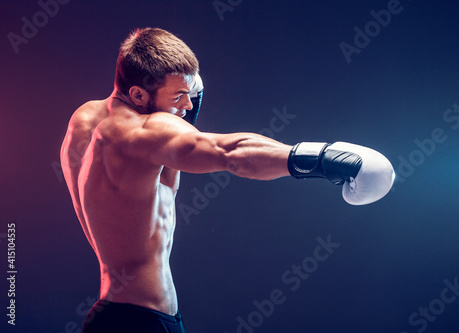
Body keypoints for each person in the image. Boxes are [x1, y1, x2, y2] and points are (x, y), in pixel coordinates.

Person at [60, 27, 395, 333]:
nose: (188, 105)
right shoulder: (142, 133)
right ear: (138, 95)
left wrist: (175, 106)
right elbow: (229, 152)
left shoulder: (84, 120)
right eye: (178, 97)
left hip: (108, 315)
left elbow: (143, 196)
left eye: (189, 94)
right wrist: (320, 159)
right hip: (144, 322)